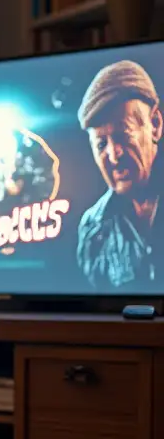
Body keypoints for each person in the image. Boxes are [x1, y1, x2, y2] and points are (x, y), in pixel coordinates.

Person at [76, 59, 163, 290]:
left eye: (123, 135)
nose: (114, 156)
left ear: (154, 124)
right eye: (101, 144)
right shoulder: (92, 227)